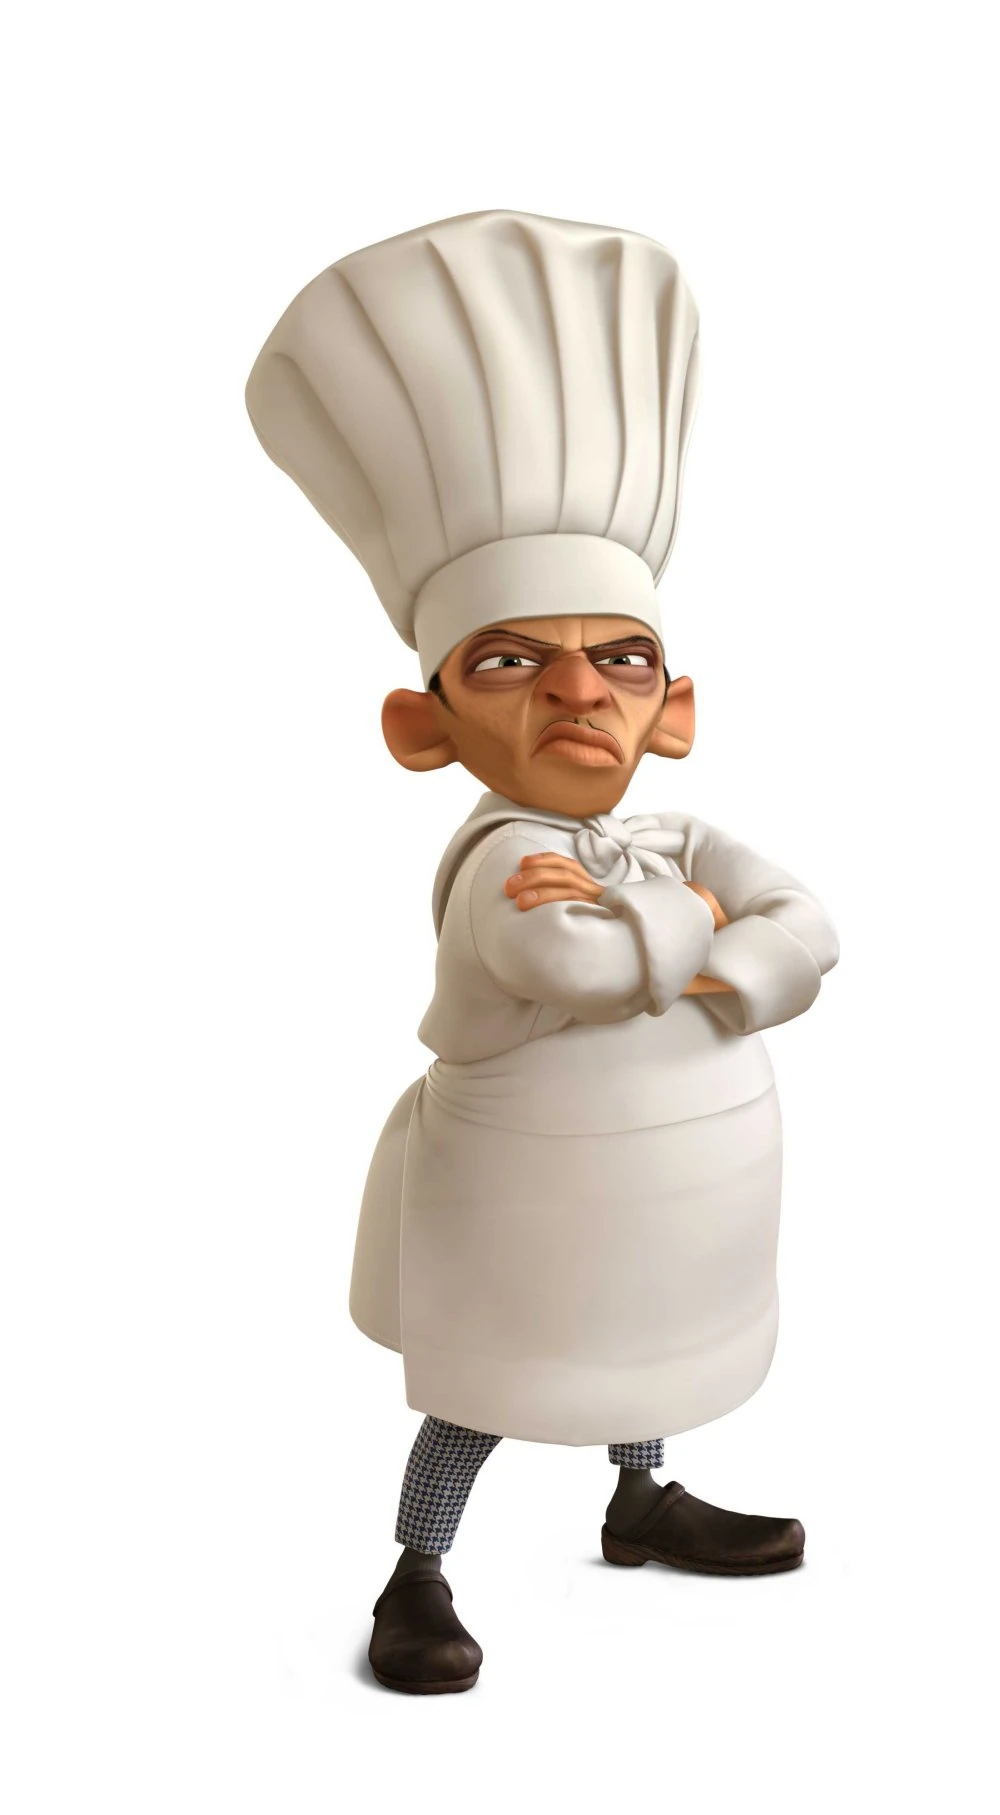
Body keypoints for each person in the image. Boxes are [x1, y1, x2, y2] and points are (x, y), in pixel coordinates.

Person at [246, 209, 839, 1696]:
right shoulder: (502, 863)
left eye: (620, 660)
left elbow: (810, 930)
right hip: (523, 1194)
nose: (578, 691)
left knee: (649, 1337)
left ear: (672, 709)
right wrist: (712, 929)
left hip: (684, 1196)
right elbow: (574, 969)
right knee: (488, 1385)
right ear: (425, 727)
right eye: (512, 660)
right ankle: (418, 1571)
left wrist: (685, 932)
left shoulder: (667, 836)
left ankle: (641, 1497)